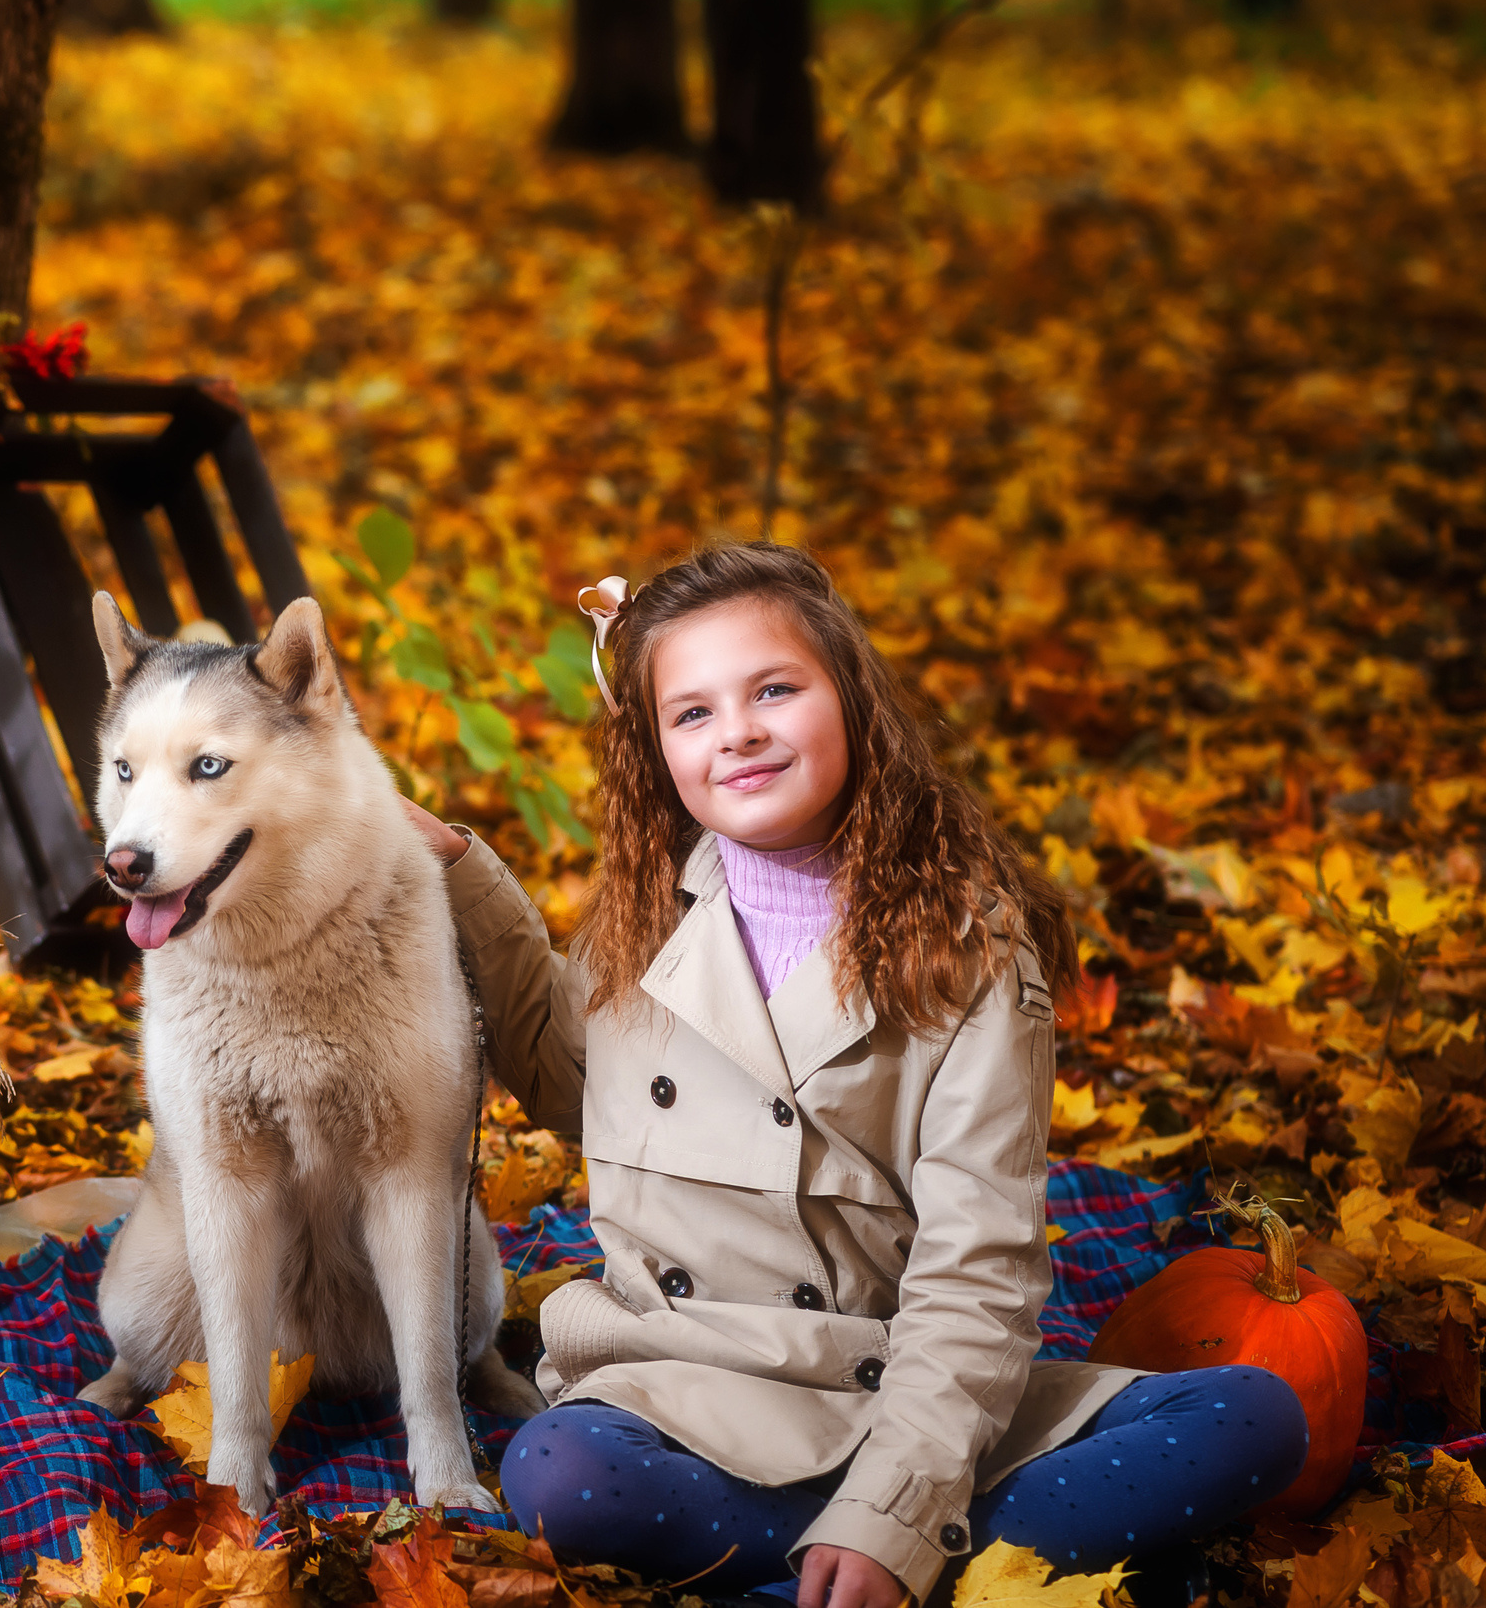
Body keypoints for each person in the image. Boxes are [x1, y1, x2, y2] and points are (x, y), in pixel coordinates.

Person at [400, 543, 1306, 1607]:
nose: (734, 729)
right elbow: (564, 1076)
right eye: (690, 712)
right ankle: (950, 1563)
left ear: (853, 701)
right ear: (653, 750)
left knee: (1257, 1415)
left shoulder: (965, 951)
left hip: (894, 1379)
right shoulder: (645, 915)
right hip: (693, 1384)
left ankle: (861, 1560)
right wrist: (462, 871)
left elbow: (976, 1270)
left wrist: (894, 1509)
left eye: (773, 688)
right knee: (557, 1471)